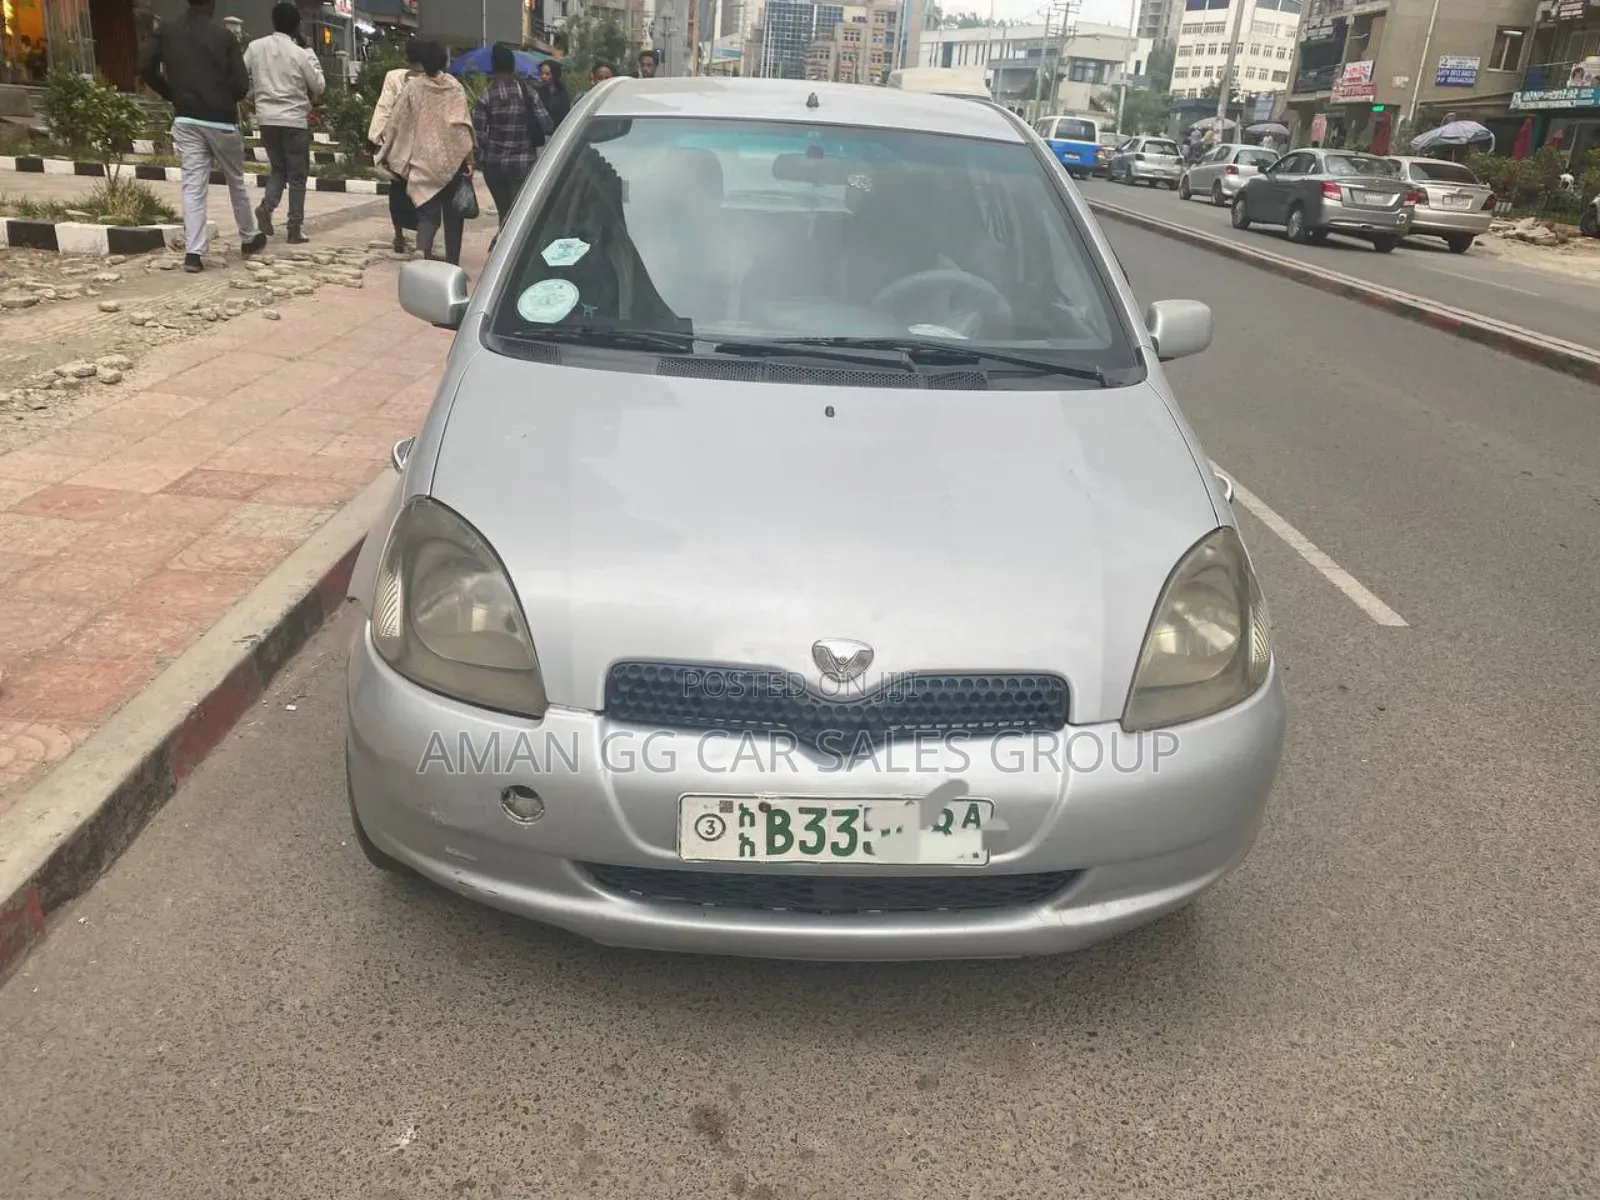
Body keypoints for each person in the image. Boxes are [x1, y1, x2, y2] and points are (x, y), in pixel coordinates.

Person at [139, 0, 266, 273]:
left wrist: (171, 93)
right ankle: (249, 237)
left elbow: (146, 67)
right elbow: (242, 85)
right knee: (235, 180)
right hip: (221, 120)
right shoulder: (224, 36)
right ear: (213, 5)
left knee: (193, 186)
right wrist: (222, 98)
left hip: (186, 118)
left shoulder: (167, 31)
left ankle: (194, 253)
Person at [377, 41, 475, 265]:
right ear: (444, 62)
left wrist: (389, 150)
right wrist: (469, 158)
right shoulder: (455, 87)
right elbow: (463, 124)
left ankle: (422, 250)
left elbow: (397, 121)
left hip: (422, 159)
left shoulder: (413, 88)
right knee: (453, 215)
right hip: (451, 159)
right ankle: (452, 262)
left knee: (427, 213)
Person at [244, 2, 324, 245]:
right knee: (297, 176)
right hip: (294, 120)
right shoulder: (300, 53)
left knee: (278, 169)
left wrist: (252, 95)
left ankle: (267, 207)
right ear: (298, 26)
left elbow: (239, 74)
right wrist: (309, 50)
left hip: (267, 119)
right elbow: (319, 86)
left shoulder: (255, 47)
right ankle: (294, 228)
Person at [473, 44, 551, 237]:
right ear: (513, 65)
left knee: (504, 213)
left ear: (493, 66)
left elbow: (478, 137)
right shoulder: (528, 92)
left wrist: (481, 161)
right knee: (517, 215)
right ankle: (510, 251)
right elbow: (547, 124)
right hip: (523, 164)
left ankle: (502, 244)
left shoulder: (485, 97)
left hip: (495, 165)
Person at [369, 40, 425, 254]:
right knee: (423, 193)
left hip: (397, 146)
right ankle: (422, 237)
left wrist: (374, 137)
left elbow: (384, 107)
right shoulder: (433, 78)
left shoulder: (393, 77)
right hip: (423, 146)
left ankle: (399, 236)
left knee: (397, 190)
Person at [537, 60, 571, 132]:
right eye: (541, 73)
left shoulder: (562, 94)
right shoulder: (538, 92)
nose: (543, 76)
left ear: (554, 74)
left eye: (547, 74)